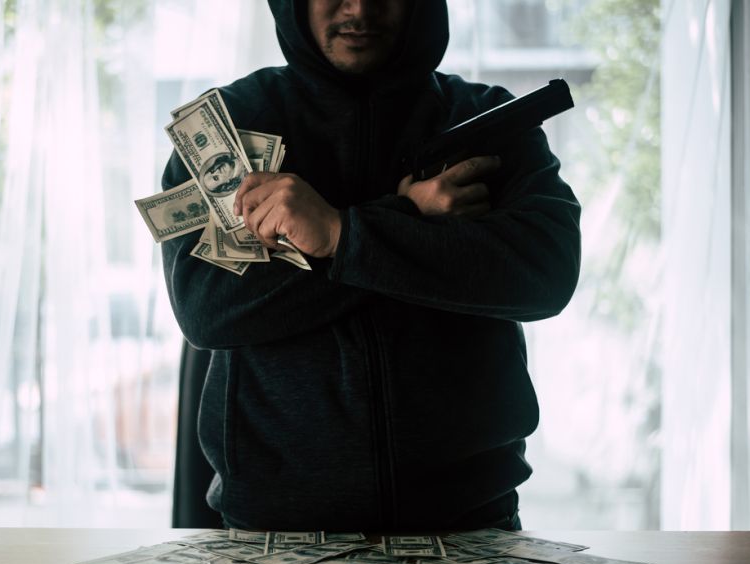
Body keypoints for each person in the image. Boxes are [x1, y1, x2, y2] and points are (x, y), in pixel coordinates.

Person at [160, 0, 581, 532]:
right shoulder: (229, 128)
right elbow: (207, 309)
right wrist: (405, 216)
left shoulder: (485, 120)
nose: (359, 8)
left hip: (472, 527)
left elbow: (548, 272)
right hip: (270, 536)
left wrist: (340, 234)